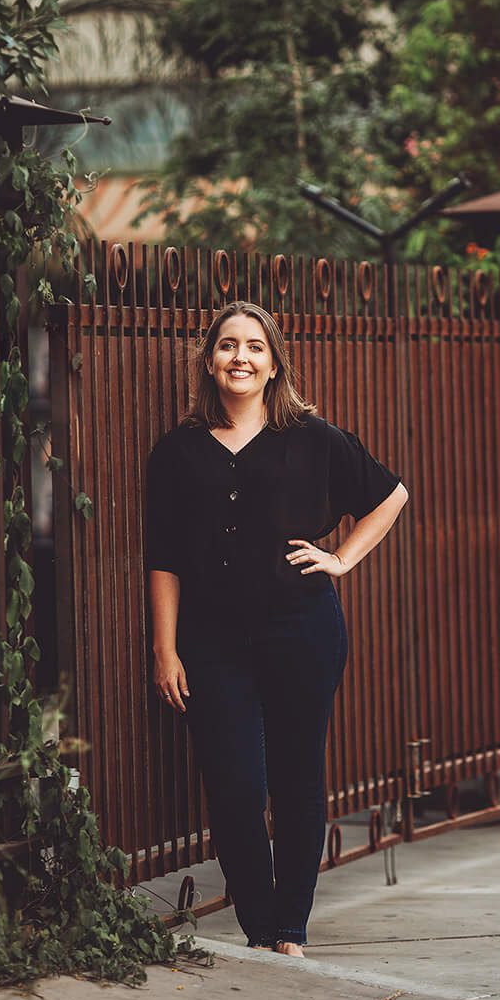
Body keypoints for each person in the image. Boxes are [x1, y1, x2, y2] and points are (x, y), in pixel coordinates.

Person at [144, 300, 408, 956]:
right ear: (209, 361)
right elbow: (164, 556)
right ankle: (258, 923)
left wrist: (342, 557)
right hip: (211, 639)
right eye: (229, 345)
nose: (241, 356)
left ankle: (289, 925)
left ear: (273, 363)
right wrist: (165, 647)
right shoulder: (176, 451)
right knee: (234, 784)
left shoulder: (312, 437)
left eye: (254, 347)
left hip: (302, 627)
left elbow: (391, 494)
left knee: (297, 777)